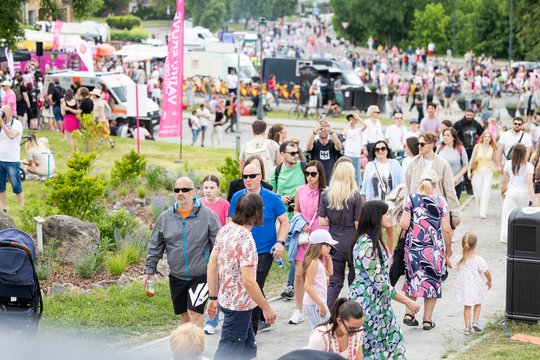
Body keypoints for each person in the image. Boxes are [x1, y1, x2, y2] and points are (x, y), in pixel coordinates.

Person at [143, 177, 221, 326]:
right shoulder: (165, 218)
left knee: (194, 312)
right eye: (177, 190)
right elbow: (155, 246)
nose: (181, 193)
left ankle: (196, 348)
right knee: (184, 314)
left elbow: (219, 244)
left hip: (201, 275)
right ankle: (187, 345)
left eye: (185, 190)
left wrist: (219, 270)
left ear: (193, 192)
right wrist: (149, 271)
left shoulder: (207, 215)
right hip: (177, 276)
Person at [207, 193, 277, 360]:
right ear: (256, 213)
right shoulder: (246, 239)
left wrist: (213, 296)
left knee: (247, 351)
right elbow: (248, 281)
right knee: (227, 353)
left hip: (229, 301)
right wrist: (266, 308)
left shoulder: (225, 230)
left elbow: (211, 265)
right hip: (239, 307)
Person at [349, 200, 420, 358]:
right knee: (375, 347)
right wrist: (407, 301)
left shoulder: (373, 240)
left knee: (391, 344)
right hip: (368, 305)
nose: (389, 217)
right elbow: (382, 284)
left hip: (379, 304)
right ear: (376, 217)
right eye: (386, 213)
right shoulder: (366, 245)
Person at [229, 164, 289, 334]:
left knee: (253, 284)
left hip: (264, 250)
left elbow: (285, 221)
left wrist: (280, 242)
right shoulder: (237, 197)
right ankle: (261, 316)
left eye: (252, 176)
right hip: (242, 249)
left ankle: (252, 329)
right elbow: (232, 221)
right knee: (247, 285)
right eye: (245, 176)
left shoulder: (272, 198)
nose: (248, 179)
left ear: (261, 176)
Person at [399, 170, 452, 331]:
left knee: (413, 279)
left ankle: (409, 314)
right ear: (436, 185)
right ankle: (427, 320)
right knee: (432, 283)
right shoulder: (441, 201)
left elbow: (404, 225)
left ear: (419, 182)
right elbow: (446, 229)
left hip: (413, 248)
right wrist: (448, 251)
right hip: (433, 250)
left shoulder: (411, 199)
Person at [287, 160, 328, 325]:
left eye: (313, 174)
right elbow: (296, 209)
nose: (309, 177)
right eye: (307, 173)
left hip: (319, 236)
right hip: (303, 236)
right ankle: (298, 309)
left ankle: (322, 305)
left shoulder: (325, 192)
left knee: (321, 274)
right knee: (298, 274)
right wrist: (300, 222)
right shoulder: (300, 190)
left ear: (320, 175)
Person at [318, 161, 363, 308]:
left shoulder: (326, 194)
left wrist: (333, 221)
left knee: (335, 280)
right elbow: (358, 223)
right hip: (351, 238)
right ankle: (353, 310)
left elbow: (321, 221)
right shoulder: (355, 196)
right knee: (354, 278)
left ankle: (326, 311)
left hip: (333, 238)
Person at [405, 132, 461, 229]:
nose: (419, 146)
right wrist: (405, 210)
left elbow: (450, 190)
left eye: (422, 144)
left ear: (431, 145)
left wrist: (455, 214)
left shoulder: (444, 165)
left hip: (436, 210)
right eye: (418, 144)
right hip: (417, 210)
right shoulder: (413, 164)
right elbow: (407, 187)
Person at [200, 175, 230, 335]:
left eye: (212, 187)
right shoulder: (198, 204)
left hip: (220, 249)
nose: (208, 191)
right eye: (206, 187)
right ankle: (209, 318)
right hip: (202, 249)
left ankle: (214, 320)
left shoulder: (224, 204)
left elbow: (228, 226)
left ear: (217, 188)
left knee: (219, 283)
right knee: (207, 283)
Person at [452, 232, 492, 336]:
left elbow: (452, 266)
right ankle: (475, 321)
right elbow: (486, 272)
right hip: (477, 286)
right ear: (475, 245)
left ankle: (467, 328)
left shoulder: (459, 259)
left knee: (467, 307)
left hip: (465, 288)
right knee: (478, 303)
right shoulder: (479, 260)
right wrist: (489, 281)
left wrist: (446, 256)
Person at [500, 144, 536, 243]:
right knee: (521, 217)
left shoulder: (508, 164)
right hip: (524, 194)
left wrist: (502, 190)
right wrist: (533, 199)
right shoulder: (529, 166)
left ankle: (505, 237)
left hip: (511, 192)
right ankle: (519, 238)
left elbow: (505, 181)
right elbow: (529, 184)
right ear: (524, 153)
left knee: (507, 215)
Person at [302, 229, 335, 329]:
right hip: (316, 303)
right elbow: (307, 286)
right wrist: (320, 304)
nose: (330, 248)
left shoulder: (318, 261)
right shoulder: (314, 262)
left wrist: (328, 256)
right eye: (328, 245)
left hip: (317, 302)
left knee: (318, 331)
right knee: (326, 331)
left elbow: (330, 272)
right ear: (320, 245)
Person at [453, 109, 484, 195]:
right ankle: (467, 187)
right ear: (465, 114)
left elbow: (482, 134)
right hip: (461, 149)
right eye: (468, 115)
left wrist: (479, 144)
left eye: (471, 115)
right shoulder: (458, 124)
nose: (469, 117)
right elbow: (452, 133)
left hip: (472, 150)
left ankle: (468, 184)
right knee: (463, 167)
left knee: (471, 167)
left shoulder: (476, 124)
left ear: (473, 115)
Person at [467, 131, 496, 219]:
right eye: (485, 136)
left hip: (488, 173)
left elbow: (494, 161)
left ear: (490, 138)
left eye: (489, 137)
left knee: (485, 192)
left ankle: (483, 212)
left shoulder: (492, 148)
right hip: (477, 172)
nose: (487, 138)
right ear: (482, 138)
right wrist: (469, 171)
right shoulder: (477, 146)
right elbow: (471, 159)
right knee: (478, 192)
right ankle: (479, 208)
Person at [0, 106, 24, 210]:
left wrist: (1, 123)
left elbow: (11, 135)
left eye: (3, 113)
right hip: (1, 159)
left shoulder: (17, 124)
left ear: (8, 114)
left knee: (16, 186)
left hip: (12, 160)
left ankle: (21, 208)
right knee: (1, 187)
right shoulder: (2, 125)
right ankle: (3, 209)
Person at [436, 128, 469, 199]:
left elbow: (466, 165)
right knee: (442, 207)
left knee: (453, 207)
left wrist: (457, 177)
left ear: (453, 137)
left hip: (456, 183)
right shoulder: (439, 148)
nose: (445, 137)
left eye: (448, 135)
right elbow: (435, 163)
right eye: (444, 135)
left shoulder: (460, 148)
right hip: (441, 183)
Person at [342, 114, 367, 186]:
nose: (352, 121)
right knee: (348, 171)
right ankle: (347, 185)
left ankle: (357, 186)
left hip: (356, 154)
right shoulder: (348, 130)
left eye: (353, 120)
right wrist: (348, 124)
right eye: (350, 120)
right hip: (348, 154)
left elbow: (365, 126)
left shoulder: (358, 130)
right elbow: (343, 133)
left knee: (357, 172)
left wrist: (358, 118)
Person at [61, 89, 81, 154]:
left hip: (68, 120)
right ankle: (77, 150)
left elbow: (63, 113)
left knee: (70, 138)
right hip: (75, 119)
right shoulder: (76, 101)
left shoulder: (64, 102)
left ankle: (72, 153)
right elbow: (78, 110)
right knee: (75, 137)